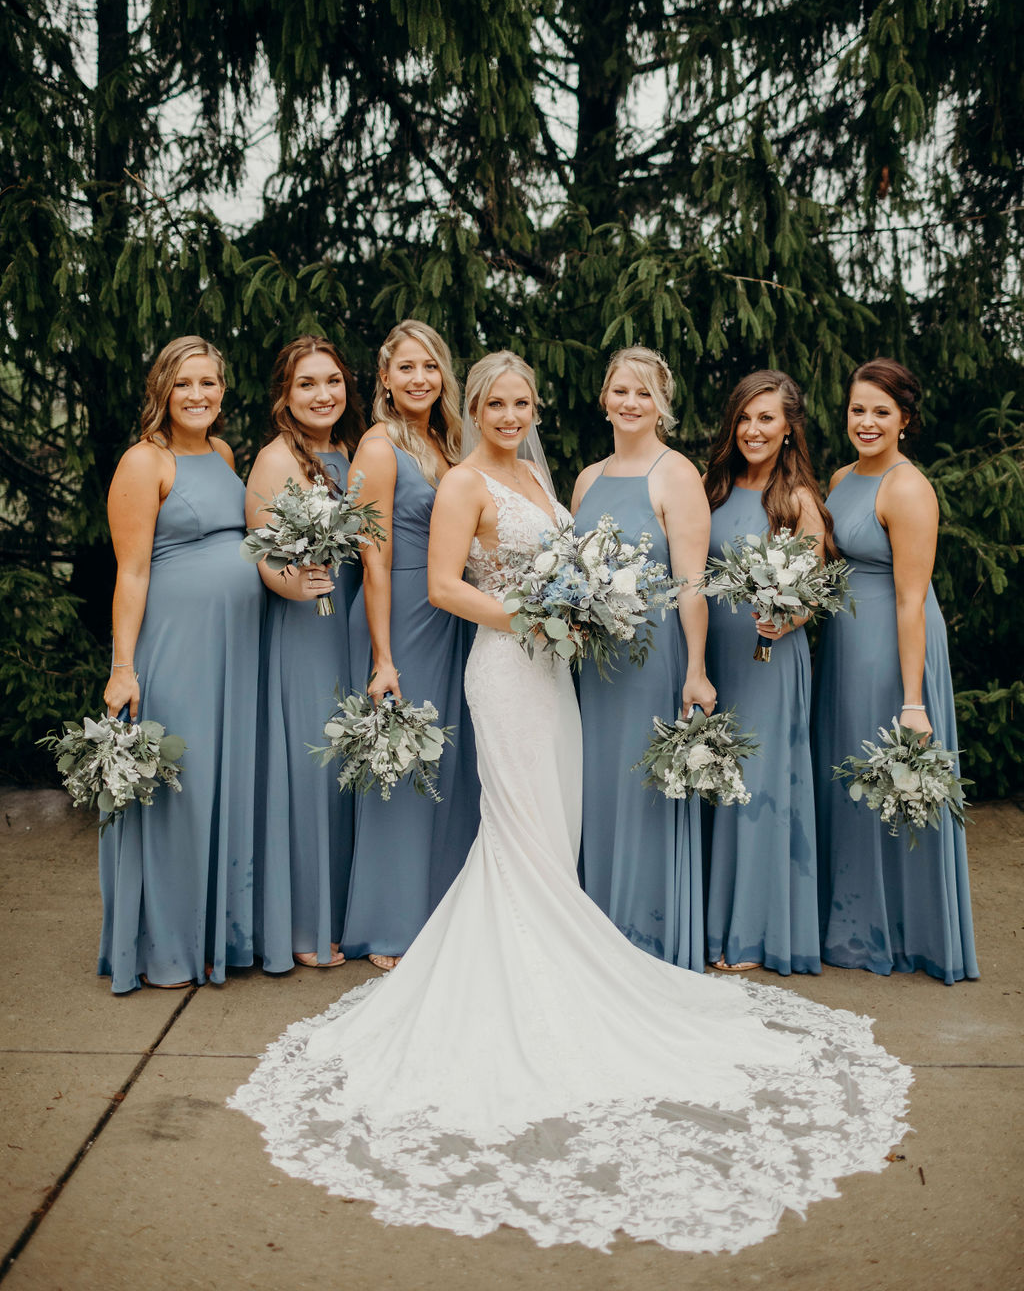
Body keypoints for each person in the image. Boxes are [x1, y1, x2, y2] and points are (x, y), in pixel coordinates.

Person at [230, 350, 911, 1255]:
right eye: (495, 403)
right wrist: (537, 619)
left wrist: (577, 617)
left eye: (521, 402)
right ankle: (532, 976)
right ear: (474, 408)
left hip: (560, 678)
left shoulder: (551, 479)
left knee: (554, 826)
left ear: (537, 408)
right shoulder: (469, 478)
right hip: (509, 669)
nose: (509, 415)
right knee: (516, 827)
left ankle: (560, 951)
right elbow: (443, 585)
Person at [99, 336, 263, 992]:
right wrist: (123, 666)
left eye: (210, 383)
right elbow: (132, 571)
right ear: (162, 389)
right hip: (177, 644)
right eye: (185, 383)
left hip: (236, 646)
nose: (198, 395)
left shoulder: (222, 455)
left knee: (221, 783)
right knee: (179, 788)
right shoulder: (145, 462)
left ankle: (217, 935)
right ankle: (166, 944)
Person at [812, 358, 978, 985]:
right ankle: (849, 924)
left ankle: (899, 931)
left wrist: (914, 699)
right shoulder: (841, 476)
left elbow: (912, 598)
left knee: (886, 773)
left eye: (882, 411)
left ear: (905, 420)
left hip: (892, 648)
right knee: (847, 774)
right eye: (858, 409)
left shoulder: (908, 488)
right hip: (845, 651)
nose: (867, 422)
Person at [341, 320, 478, 970]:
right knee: (402, 761)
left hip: (450, 613)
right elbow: (372, 555)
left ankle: (436, 912)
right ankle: (388, 926)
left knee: (444, 761)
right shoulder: (377, 446)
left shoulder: (447, 442)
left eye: (431, 367)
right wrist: (382, 654)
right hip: (398, 613)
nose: (420, 378)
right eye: (407, 368)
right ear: (386, 380)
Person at [572, 347, 715, 968]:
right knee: (594, 787)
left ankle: (646, 936)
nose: (631, 403)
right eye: (620, 391)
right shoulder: (585, 478)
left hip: (651, 659)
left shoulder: (676, 472)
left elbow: (691, 584)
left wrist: (696, 671)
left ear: (663, 404)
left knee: (642, 789)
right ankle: (594, 926)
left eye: (645, 393)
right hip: (591, 665)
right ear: (604, 397)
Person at [702, 371, 831, 975]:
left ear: (788, 429)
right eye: (745, 418)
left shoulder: (797, 500)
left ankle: (753, 934)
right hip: (712, 659)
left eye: (767, 420)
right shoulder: (714, 488)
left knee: (756, 787)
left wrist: (790, 617)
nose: (754, 430)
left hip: (768, 660)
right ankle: (709, 922)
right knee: (712, 780)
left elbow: (815, 590)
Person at [249, 337, 366, 973]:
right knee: (312, 769)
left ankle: (347, 913)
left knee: (348, 763)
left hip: (348, 621)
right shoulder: (273, 460)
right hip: (305, 623)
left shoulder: (351, 451)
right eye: (306, 385)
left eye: (332, 382)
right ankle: (302, 922)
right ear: (285, 396)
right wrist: (294, 581)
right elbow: (261, 552)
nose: (323, 395)